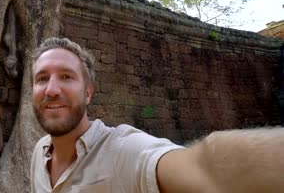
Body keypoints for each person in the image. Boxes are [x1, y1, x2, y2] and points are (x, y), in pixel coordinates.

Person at [30, 37, 284, 193]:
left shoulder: (122, 152)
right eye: (42, 79)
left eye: (66, 76)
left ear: (88, 93)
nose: (51, 90)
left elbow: (206, 168)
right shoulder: (39, 153)